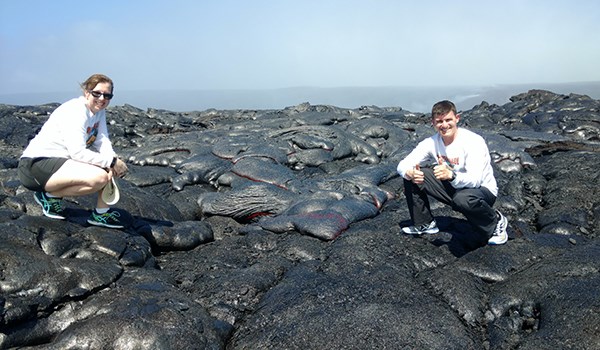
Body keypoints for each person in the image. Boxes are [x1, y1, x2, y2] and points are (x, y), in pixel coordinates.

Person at [18, 73, 128, 229]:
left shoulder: (99, 111)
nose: (102, 98)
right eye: (97, 93)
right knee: (99, 177)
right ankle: (47, 195)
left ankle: (100, 214)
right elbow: (77, 152)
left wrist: (112, 159)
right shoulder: (75, 111)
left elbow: (101, 139)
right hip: (35, 165)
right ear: (86, 92)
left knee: (106, 169)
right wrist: (112, 162)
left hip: (59, 163)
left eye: (107, 95)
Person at [396, 100, 508, 245]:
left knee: (462, 199)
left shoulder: (473, 141)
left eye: (448, 120)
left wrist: (451, 175)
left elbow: (476, 180)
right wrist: (410, 173)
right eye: (439, 121)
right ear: (433, 123)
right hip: (455, 188)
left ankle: (496, 221)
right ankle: (424, 223)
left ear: (457, 118)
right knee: (413, 174)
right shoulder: (431, 142)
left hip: (482, 191)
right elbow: (402, 165)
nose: (444, 125)